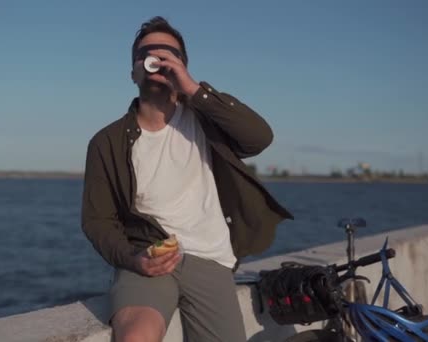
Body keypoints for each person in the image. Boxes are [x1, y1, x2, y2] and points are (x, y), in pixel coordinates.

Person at [81, 16, 293, 342]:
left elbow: (258, 138)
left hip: (210, 258)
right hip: (147, 257)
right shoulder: (106, 142)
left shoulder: (205, 120)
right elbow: (97, 220)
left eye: (170, 53)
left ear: (182, 65)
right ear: (133, 72)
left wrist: (193, 89)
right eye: (146, 53)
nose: (158, 58)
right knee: (136, 338)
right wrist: (132, 259)